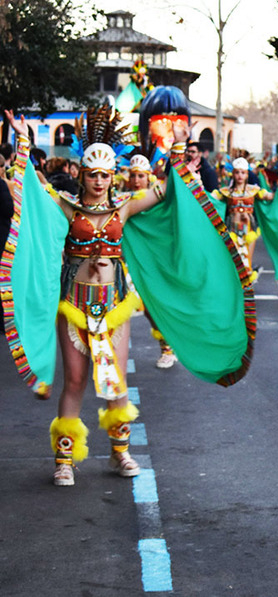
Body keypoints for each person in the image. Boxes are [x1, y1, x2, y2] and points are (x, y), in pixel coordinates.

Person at [4, 107, 167, 486]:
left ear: (114, 176)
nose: (98, 181)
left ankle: (119, 453)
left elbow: (164, 191)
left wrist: (170, 149)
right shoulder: (66, 204)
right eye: (92, 173)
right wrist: (22, 137)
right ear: (83, 173)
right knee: (75, 381)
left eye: (105, 174)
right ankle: (65, 459)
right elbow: (27, 184)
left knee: (114, 381)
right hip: (74, 305)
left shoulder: (124, 206)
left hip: (114, 306)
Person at [126, 153, 176, 369]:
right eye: (133, 176)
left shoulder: (155, 199)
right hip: (124, 260)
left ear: (148, 177)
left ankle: (167, 348)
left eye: (140, 176)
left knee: (150, 308)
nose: (136, 180)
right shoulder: (122, 198)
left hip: (151, 262)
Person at [214, 157, 278, 283]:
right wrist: (197, 183)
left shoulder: (254, 190)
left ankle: (245, 293)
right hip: (232, 229)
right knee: (233, 261)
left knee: (246, 262)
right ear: (233, 174)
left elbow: (271, 197)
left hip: (249, 230)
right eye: (237, 172)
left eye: (243, 172)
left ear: (247, 174)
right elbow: (209, 198)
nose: (240, 175)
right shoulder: (226, 191)